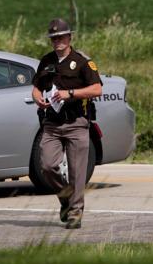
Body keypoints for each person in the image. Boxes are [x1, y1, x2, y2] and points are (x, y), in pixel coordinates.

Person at [31, 18, 103, 229]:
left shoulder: (82, 61)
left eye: (61, 37)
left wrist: (70, 93)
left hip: (76, 123)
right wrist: (37, 98)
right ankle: (65, 196)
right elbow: (36, 87)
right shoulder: (46, 61)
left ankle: (75, 213)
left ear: (70, 37)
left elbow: (97, 89)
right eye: (54, 38)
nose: (57, 41)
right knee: (47, 166)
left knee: (77, 172)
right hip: (52, 124)